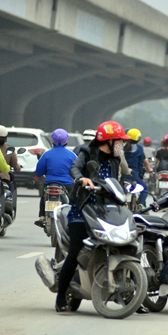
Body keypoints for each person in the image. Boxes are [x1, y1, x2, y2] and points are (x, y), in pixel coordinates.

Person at [55, 121, 130, 312]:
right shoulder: (87, 152)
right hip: (82, 208)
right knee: (75, 252)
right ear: (109, 141)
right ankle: (60, 298)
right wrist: (81, 178)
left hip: (105, 210)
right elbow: (75, 169)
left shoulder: (115, 159)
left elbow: (116, 181)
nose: (122, 144)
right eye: (119, 141)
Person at [34, 128, 77, 227]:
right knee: (72, 201)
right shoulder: (72, 155)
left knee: (44, 197)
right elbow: (77, 170)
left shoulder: (46, 154)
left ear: (52, 140)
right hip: (68, 185)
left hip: (50, 183)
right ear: (66, 140)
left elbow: (38, 172)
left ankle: (42, 217)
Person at [0, 125, 21, 212]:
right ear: (6, 138)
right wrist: (18, 167)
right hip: (4, 178)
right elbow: (15, 166)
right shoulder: (9, 150)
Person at [123, 128, 152, 206]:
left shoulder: (122, 148)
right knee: (145, 189)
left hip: (122, 175)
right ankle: (141, 205)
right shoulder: (139, 149)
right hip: (134, 176)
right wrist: (147, 170)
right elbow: (143, 163)